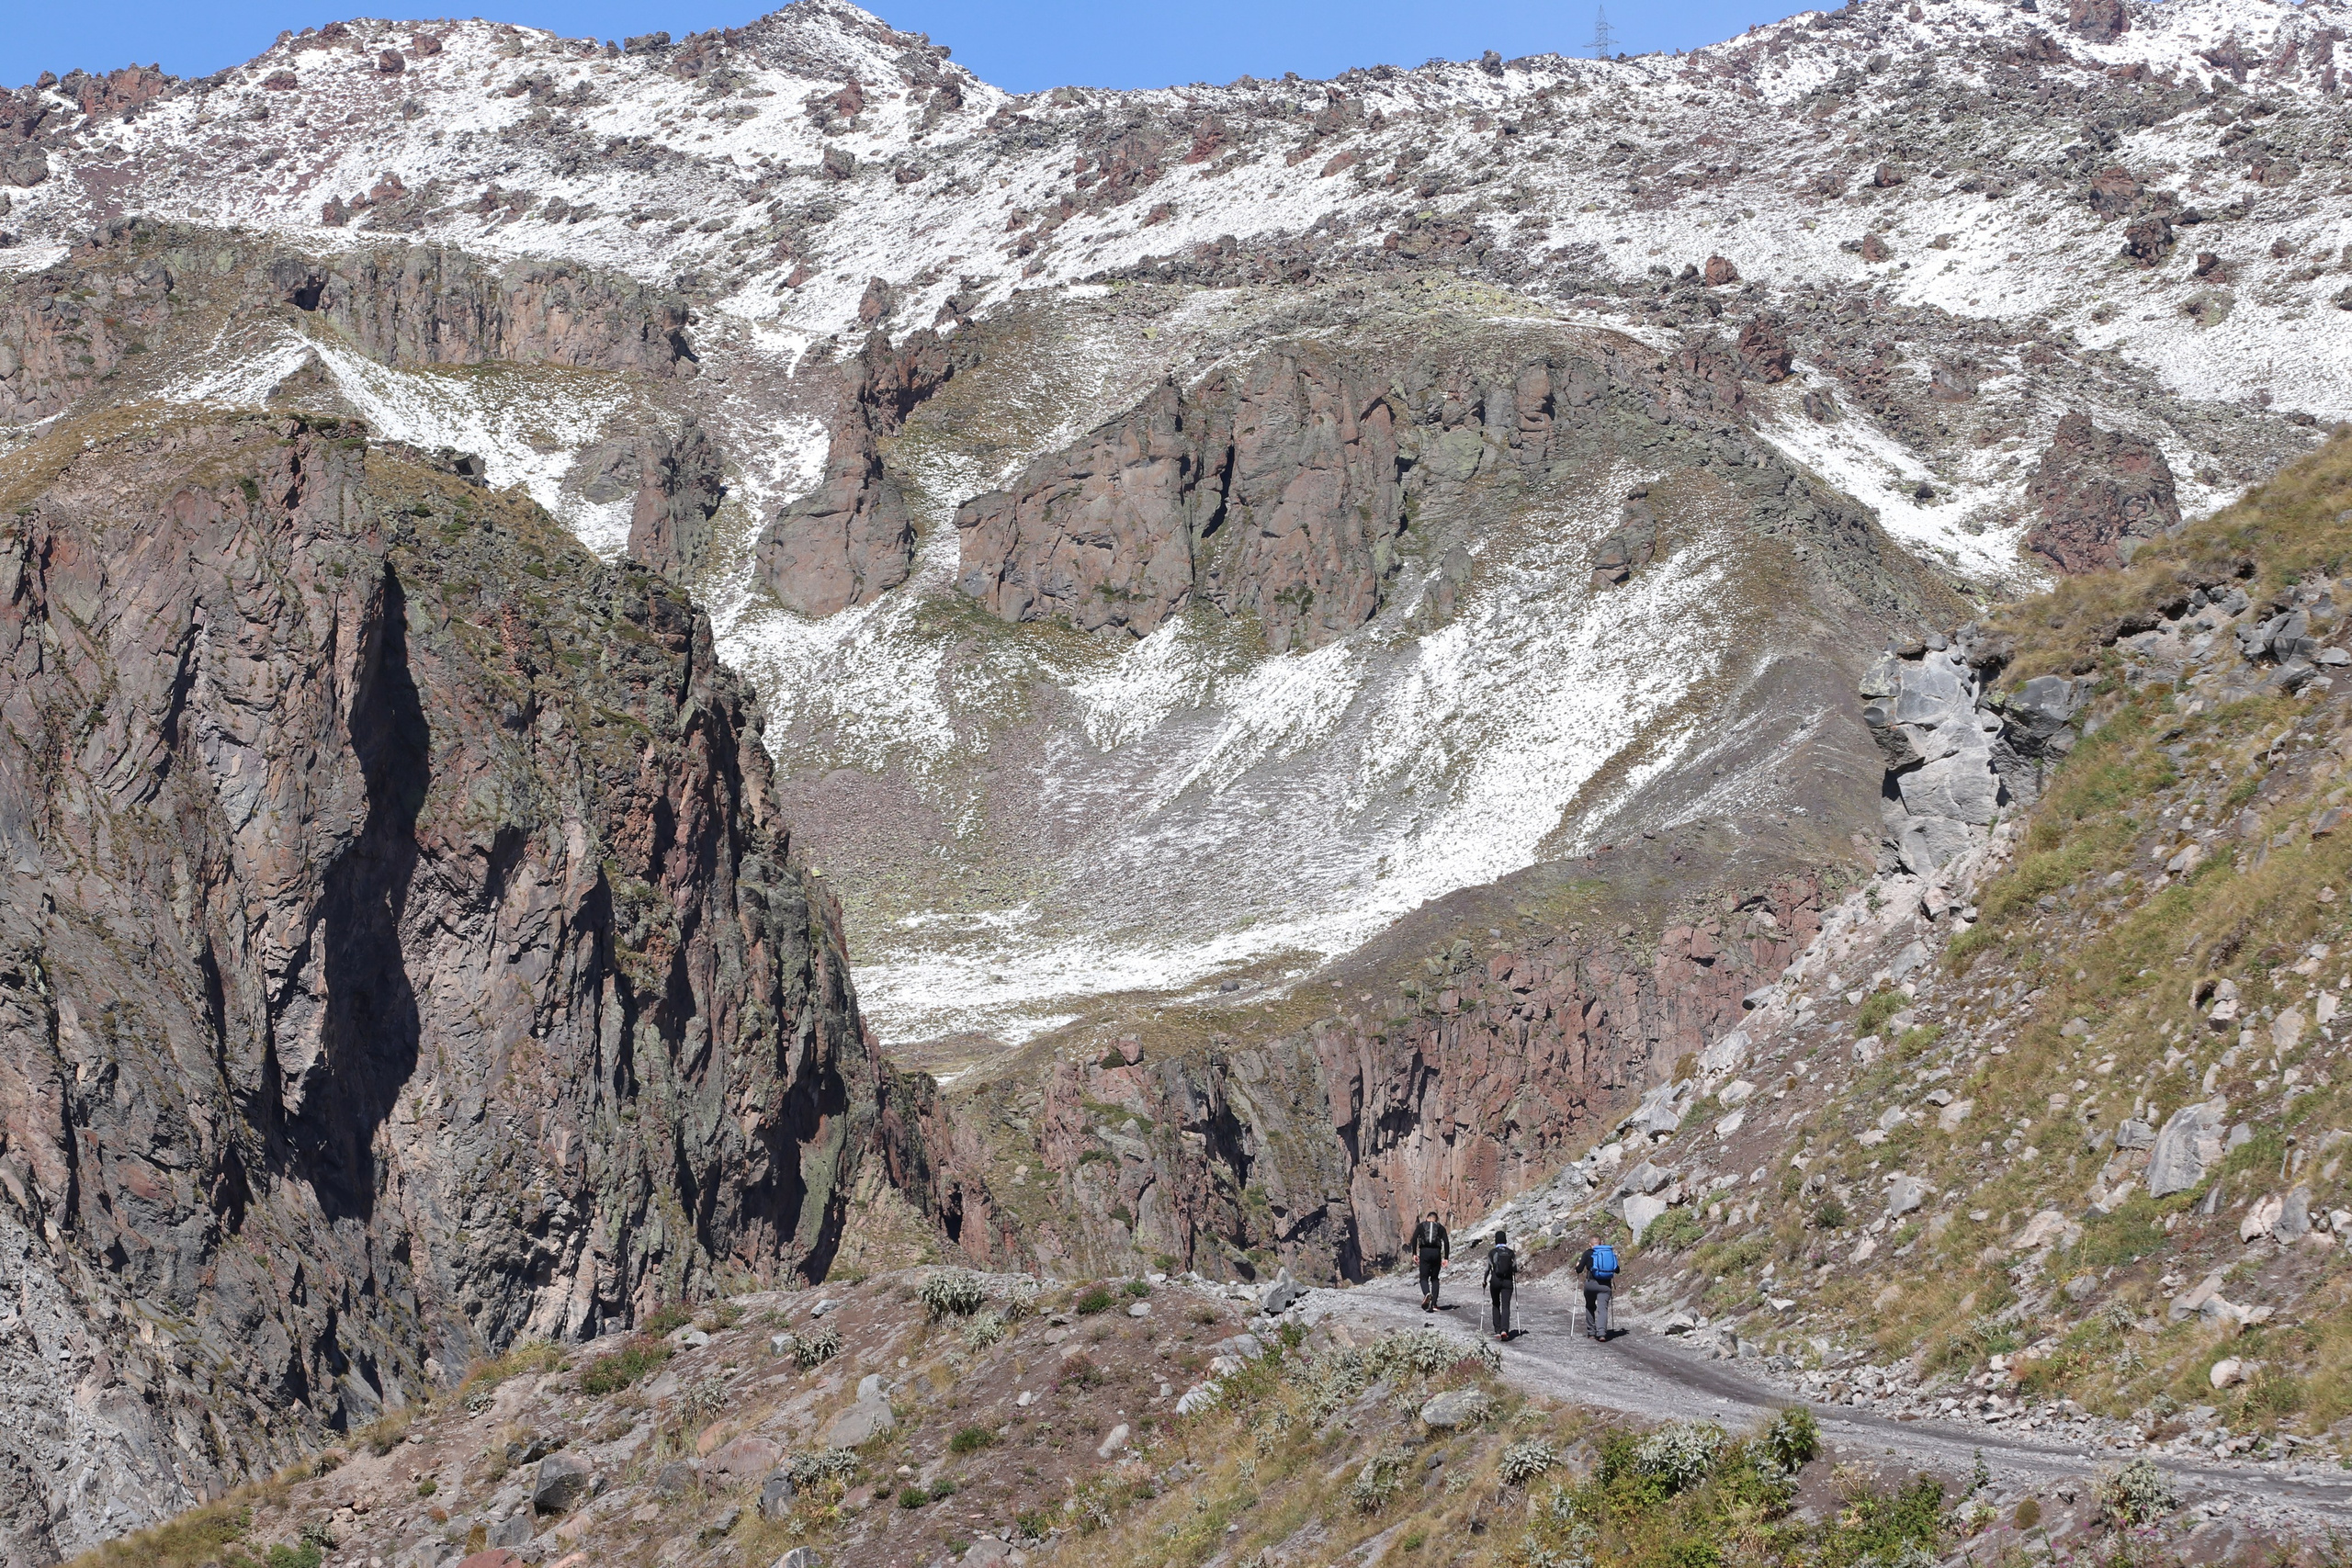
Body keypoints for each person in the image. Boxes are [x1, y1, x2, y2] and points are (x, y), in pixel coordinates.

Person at [1576, 1233, 1620, 1341]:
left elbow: (1579, 1270)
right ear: (1601, 1243)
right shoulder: (1609, 1253)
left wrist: (1577, 1266)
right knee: (1602, 1309)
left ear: (1590, 1244)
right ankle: (1601, 1334)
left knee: (1590, 1306)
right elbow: (1617, 1270)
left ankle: (1591, 1332)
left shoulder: (1587, 1253)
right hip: (1605, 1285)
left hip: (1591, 1284)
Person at [1482, 1227, 1516, 1342]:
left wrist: (1484, 1280)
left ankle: (1497, 1330)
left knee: (1496, 1304)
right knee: (1506, 1305)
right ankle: (1504, 1330)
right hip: (1508, 1281)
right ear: (1505, 1240)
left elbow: (1488, 1268)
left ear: (1496, 1240)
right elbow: (1515, 1268)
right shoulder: (1511, 1252)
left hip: (1495, 1281)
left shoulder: (1492, 1252)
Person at [1412, 1211, 1450, 1312]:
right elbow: (1446, 1242)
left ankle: (1427, 1294)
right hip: (1436, 1253)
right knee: (1435, 1279)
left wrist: (1414, 1253)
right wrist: (1446, 1258)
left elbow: (1414, 1238)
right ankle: (1434, 1305)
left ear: (1427, 1218)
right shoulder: (1440, 1227)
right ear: (1436, 1219)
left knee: (1423, 1278)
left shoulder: (1421, 1226)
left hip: (1424, 1252)